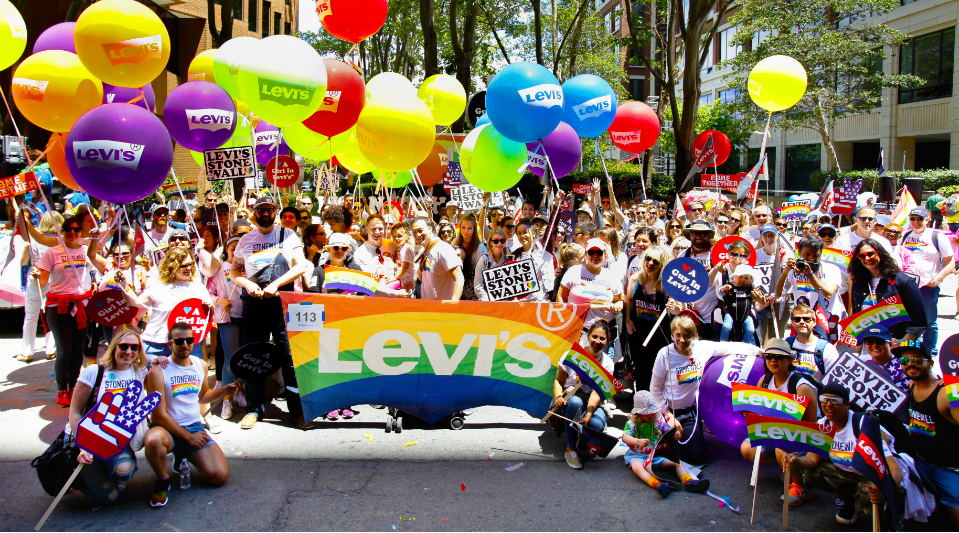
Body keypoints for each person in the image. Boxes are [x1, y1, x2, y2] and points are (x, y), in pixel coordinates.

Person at [229, 196, 312, 430]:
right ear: (253, 214)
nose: (265, 214)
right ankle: (254, 408)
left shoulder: (288, 235)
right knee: (253, 355)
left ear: (275, 212)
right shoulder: (246, 239)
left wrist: (277, 285)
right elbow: (234, 270)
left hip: (281, 302)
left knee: (289, 357)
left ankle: (298, 411)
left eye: (269, 210)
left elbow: (301, 265)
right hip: (253, 304)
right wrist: (246, 284)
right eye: (260, 211)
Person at [781, 382, 902, 525]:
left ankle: (888, 514)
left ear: (847, 404)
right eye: (824, 400)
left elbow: (895, 471)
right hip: (846, 474)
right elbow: (812, 460)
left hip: (872, 478)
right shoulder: (823, 425)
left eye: (835, 401)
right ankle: (849, 500)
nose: (828, 405)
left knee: (870, 496)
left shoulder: (864, 425)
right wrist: (795, 460)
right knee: (809, 475)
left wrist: (883, 490)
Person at [143, 323, 235, 508]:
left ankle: (182, 455)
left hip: (193, 426)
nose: (185, 344)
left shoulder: (200, 365)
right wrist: (188, 437)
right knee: (153, 440)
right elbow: (159, 415)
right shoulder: (158, 371)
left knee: (219, 476)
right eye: (179, 341)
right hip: (166, 428)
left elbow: (202, 396)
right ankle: (162, 480)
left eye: (189, 340)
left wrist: (224, 390)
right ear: (170, 345)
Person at [650, 315, 761, 464]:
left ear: (694, 336)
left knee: (696, 457)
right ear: (672, 335)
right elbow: (655, 389)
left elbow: (731, 346)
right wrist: (668, 415)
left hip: (690, 412)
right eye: (678, 335)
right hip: (668, 411)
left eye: (687, 336)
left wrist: (760, 351)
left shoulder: (701, 348)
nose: (682, 340)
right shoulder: (664, 354)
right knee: (671, 454)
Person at [68, 330, 150, 504]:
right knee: (108, 499)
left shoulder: (139, 371)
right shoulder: (95, 371)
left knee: (124, 471)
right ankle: (81, 477)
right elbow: (74, 412)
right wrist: (83, 447)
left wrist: (159, 360)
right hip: (90, 438)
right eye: (124, 346)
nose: (129, 351)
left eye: (134, 347)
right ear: (114, 347)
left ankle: (106, 471)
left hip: (115, 440)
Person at [899, 339, 959, 527]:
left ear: (930, 363)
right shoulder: (911, 385)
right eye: (904, 361)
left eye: (916, 360)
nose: (910, 365)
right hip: (920, 463)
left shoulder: (944, 394)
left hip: (948, 469)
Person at [38, 216, 95, 406]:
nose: (72, 233)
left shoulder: (85, 252)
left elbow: (98, 262)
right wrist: (36, 276)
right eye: (68, 229)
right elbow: (43, 282)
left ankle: (73, 387)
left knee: (78, 349)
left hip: (80, 305)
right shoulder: (51, 253)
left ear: (80, 232)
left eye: (76, 230)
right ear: (61, 231)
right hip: (58, 306)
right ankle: (62, 390)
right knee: (64, 349)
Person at [740, 338, 820, 469]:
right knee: (747, 449)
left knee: (781, 449)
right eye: (769, 356)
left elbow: (811, 425)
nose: (773, 360)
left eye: (779, 357)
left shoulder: (801, 387)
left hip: (799, 436)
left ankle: (795, 474)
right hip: (775, 433)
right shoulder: (764, 381)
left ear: (789, 360)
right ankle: (783, 465)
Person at [623, 390, 710, 497]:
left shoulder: (658, 421)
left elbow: (668, 431)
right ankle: (658, 485)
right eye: (647, 413)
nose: (650, 414)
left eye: (652, 412)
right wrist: (637, 441)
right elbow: (625, 437)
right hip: (637, 455)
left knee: (676, 461)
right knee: (637, 467)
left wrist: (675, 434)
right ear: (638, 413)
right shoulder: (632, 423)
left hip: (656, 454)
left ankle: (689, 481)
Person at [552, 321, 613, 470]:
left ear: (607, 340)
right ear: (588, 336)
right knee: (575, 403)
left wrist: (590, 414)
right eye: (594, 337)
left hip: (590, 400)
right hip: (569, 398)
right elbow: (558, 381)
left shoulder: (608, 363)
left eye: (602, 338)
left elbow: (597, 393)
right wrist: (558, 397)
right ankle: (571, 449)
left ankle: (581, 431)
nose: (597, 341)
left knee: (597, 424)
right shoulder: (572, 355)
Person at [848, 238, 927, 344]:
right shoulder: (859, 282)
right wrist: (860, 342)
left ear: (880, 254)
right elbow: (857, 316)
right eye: (862, 256)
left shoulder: (903, 281)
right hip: (870, 344)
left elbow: (919, 321)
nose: (867, 258)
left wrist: (902, 342)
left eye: (871, 254)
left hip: (897, 344)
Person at [900, 207, 954, 358]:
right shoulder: (905, 236)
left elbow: (950, 264)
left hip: (928, 287)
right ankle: (912, 349)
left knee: (929, 322)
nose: (916, 222)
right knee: (910, 320)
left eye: (920, 219)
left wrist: (936, 281)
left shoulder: (937, 236)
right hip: (908, 286)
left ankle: (930, 352)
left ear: (927, 220)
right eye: (913, 219)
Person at [557, 238, 624, 348]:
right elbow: (560, 296)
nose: (595, 256)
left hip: (603, 335)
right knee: (575, 364)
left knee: (602, 365)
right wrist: (564, 318)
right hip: (578, 331)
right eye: (591, 252)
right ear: (586, 254)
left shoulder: (612, 276)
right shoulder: (574, 271)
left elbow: (619, 300)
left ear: (604, 254)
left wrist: (616, 307)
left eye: (599, 252)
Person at [625, 245, 672, 388]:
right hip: (638, 332)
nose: (650, 263)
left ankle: (656, 406)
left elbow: (676, 308)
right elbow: (629, 300)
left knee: (656, 371)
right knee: (640, 369)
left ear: (662, 264)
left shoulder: (666, 284)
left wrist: (676, 308)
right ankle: (641, 404)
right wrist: (627, 319)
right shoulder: (635, 279)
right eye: (647, 258)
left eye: (656, 261)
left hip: (659, 336)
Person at [209, 235, 244, 420]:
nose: (236, 250)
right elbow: (209, 292)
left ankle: (239, 391)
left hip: (247, 317)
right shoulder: (219, 269)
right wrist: (220, 301)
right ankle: (227, 399)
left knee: (244, 359)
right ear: (227, 250)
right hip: (228, 319)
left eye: (240, 247)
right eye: (232, 247)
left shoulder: (248, 267)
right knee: (231, 359)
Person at [19, 211, 61, 362]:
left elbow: (24, 262)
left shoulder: (34, 240)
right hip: (55, 281)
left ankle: (27, 351)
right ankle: (51, 349)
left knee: (31, 317)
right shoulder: (60, 242)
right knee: (53, 316)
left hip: (35, 280)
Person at [776, 235, 841, 320]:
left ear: (821, 253)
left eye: (815, 255)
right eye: (807, 254)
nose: (811, 259)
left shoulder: (831, 269)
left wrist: (810, 274)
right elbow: (779, 293)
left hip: (825, 320)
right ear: (799, 252)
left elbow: (827, 294)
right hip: (802, 320)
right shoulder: (794, 270)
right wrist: (785, 272)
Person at [681, 220, 720, 339]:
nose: (699, 237)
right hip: (690, 316)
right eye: (695, 233)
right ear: (690, 235)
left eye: (703, 233)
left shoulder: (717, 254)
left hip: (713, 317)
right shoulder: (683, 255)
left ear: (709, 235)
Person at [411, 216, 464, 301]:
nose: (417, 235)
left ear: (429, 228)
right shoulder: (423, 250)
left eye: (420, 230)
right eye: (414, 232)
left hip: (443, 310)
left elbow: (459, 278)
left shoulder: (443, 249)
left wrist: (453, 303)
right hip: (428, 308)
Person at [784, 304, 840, 382]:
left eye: (806, 319)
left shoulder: (828, 350)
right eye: (797, 319)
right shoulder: (785, 344)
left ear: (814, 322)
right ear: (792, 323)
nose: (801, 322)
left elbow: (833, 382)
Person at [717, 264, 763, 345]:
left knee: (750, 329)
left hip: (746, 314)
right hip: (731, 312)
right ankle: (722, 343)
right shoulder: (730, 286)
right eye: (740, 277)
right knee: (726, 327)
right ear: (735, 277)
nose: (743, 280)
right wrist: (724, 289)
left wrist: (759, 297)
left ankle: (745, 344)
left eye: (746, 278)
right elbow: (720, 293)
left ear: (750, 280)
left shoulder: (751, 288)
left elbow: (757, 299)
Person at [856, 325, 909, 393]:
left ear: (889, 344)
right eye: (870, 342)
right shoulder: (860, 361)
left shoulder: (903, 364)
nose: (875, 345)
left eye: (880, 341)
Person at [454, 214, 486, 301]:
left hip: (472, 287)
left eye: (470, 228)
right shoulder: (455, 242)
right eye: (463, 227)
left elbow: (481, 273)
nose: (466, 231)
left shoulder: (480, 248)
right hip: (455, 282)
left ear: (474, 229)